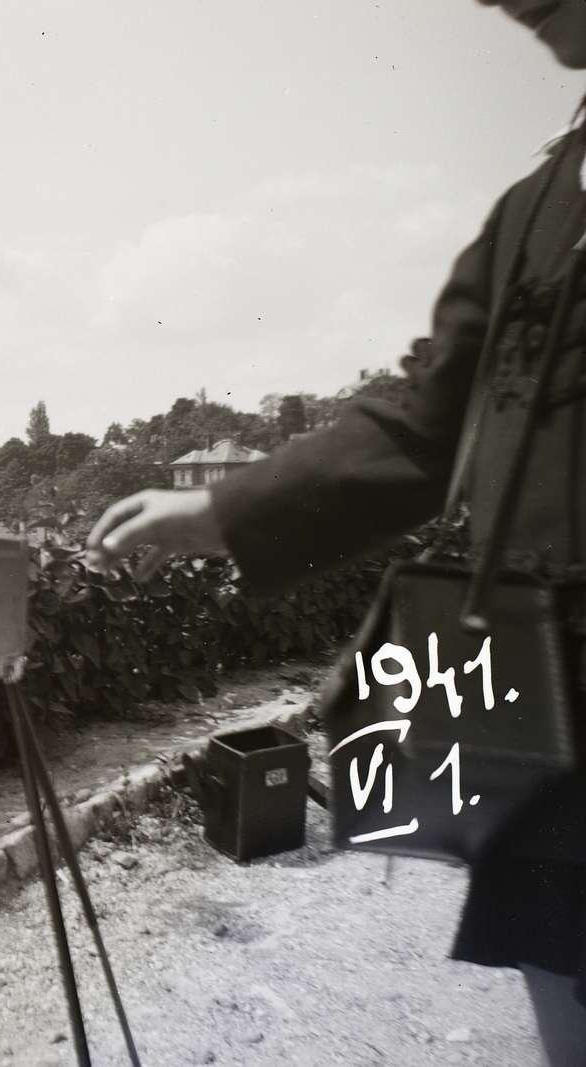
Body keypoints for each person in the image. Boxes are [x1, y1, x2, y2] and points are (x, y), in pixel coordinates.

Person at [86, 3, 586, 1062]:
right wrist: (224, 509)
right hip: (557, 702)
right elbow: (423, 417)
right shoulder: (539, 202)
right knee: (563, 973)